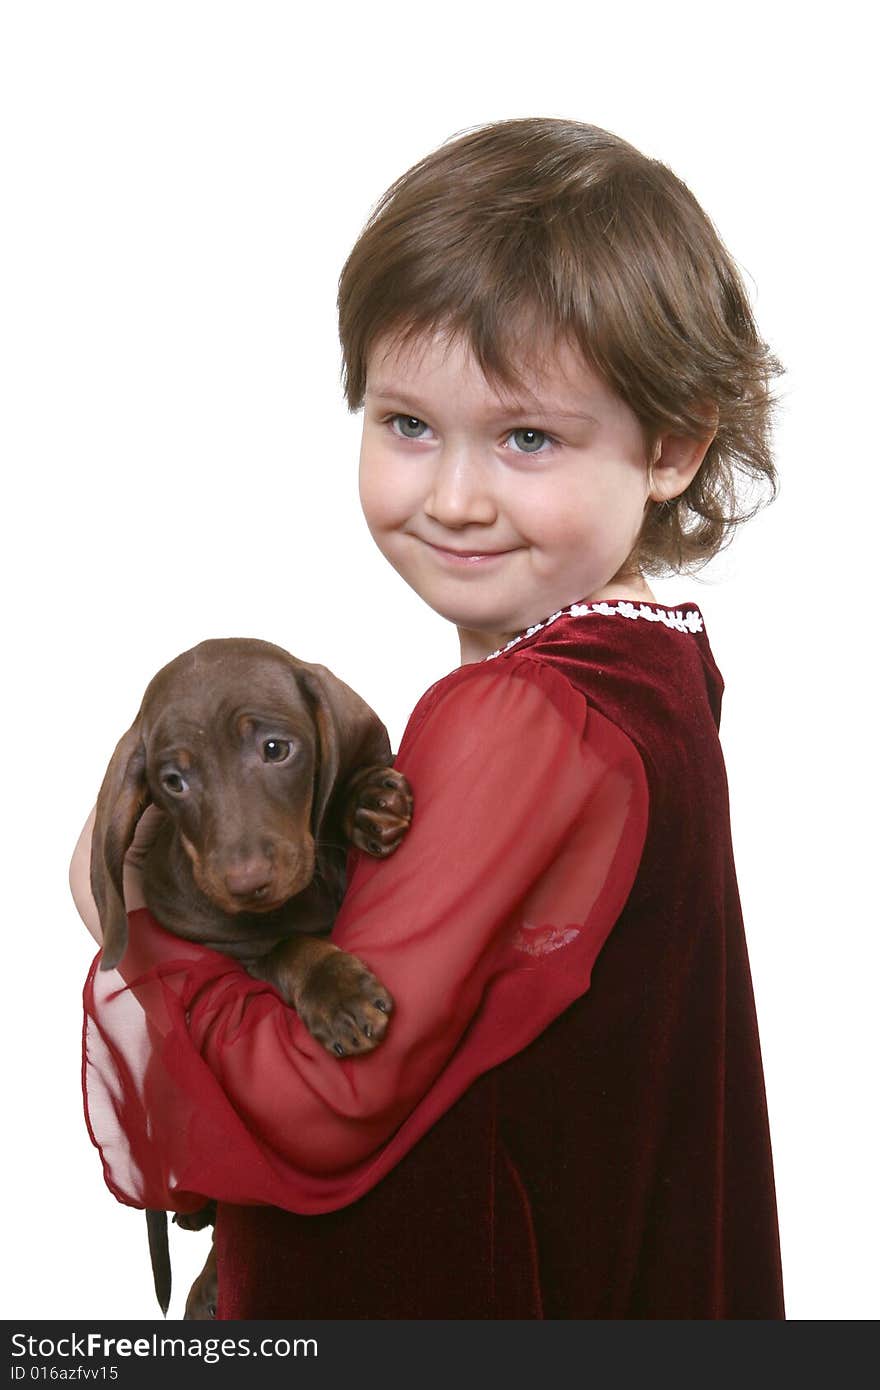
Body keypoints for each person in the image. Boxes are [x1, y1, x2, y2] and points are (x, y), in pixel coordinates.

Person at [70, 116, 785, 1319]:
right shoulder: (652, 669)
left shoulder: (523, 714)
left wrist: (144, 920)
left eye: (525, 437)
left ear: (670, 446)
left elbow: (322, 1094)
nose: (453, 498)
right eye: (407, 424)